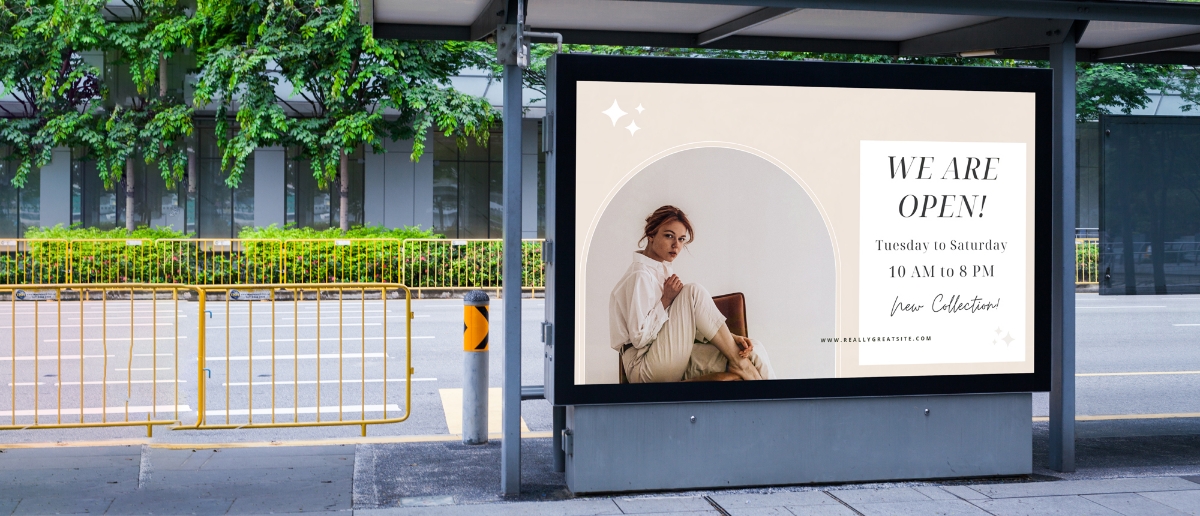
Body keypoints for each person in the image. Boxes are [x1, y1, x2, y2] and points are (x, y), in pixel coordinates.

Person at [609, 205, 766, 383]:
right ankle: (741, 365)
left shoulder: (662, 272)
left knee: (754, 352)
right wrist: (666, 300)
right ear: (651, 235)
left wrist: (730, 339)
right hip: (643, 366)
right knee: (692, 292)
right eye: (669, 236)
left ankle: (773, 408)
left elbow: (679, 327)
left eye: (682, 239)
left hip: (667, 354)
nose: (676, 245)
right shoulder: (640, 275)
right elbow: (639, 339)